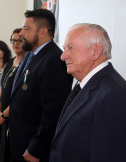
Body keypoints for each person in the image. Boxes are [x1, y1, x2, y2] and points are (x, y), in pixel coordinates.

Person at [49, 23, 126, 162]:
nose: (63, 56)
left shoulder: (114, 94)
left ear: (95, 52)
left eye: (70, 48)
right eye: (64, 48)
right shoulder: (84, 84)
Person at [9, 9, 73, 162]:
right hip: (20, 140)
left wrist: (36, 149)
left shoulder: (55, 61)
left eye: (27, 29)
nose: (22, 33)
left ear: (43, 32)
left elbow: (53, 114)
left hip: (33, 149)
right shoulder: (31, 55)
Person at [0, 28, 26, 162]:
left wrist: (4, 114)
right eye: (13, 40)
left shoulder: (26, 64)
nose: (16, 43)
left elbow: (21, 96)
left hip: (15, 116)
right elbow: (3, 87)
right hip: (3, 115)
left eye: (19, 40)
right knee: (3, 152)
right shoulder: (9, 63)